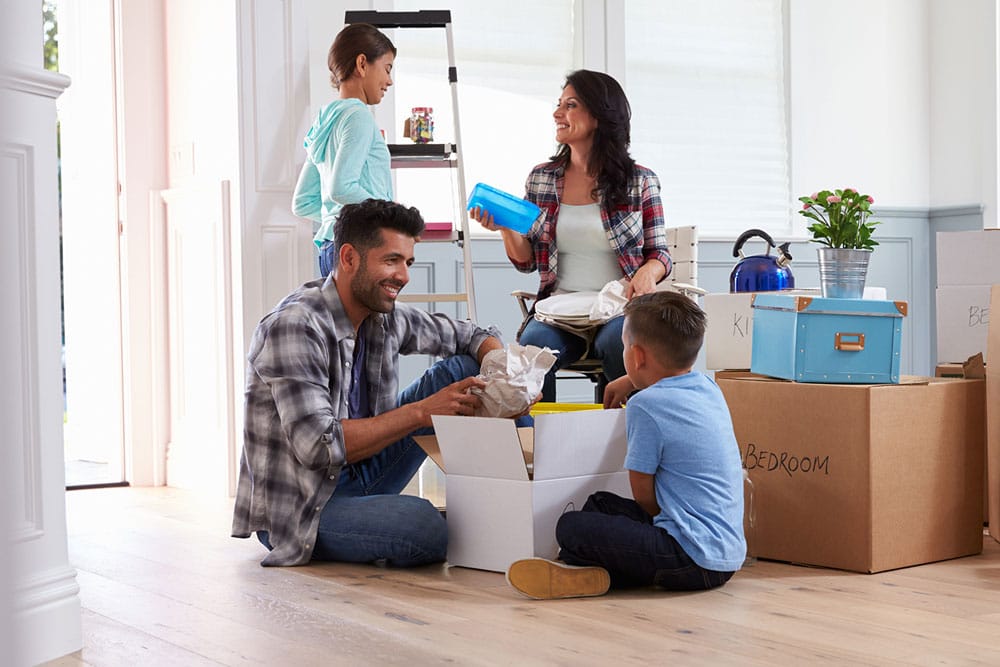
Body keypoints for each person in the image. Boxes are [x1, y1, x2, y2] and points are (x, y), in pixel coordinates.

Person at [232, 199, 504, 567]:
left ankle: (520, 502)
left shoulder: (381, 314)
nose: (404, 276)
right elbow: (319, 447)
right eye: (391, 260)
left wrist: (505, 375)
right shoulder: (295, 326)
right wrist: (421, 412)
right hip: (305, 507)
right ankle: (486, 527)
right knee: (423, 527)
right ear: (348, 259)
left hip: (363, 473)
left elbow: (472, 335)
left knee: (466, 368)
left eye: (407, 262)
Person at [505, 291, 746, 599]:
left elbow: (643, 494)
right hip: (726, 553)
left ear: (637, 356)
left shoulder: (645, 406)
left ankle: (585, 572)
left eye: (623, 345)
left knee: (571, 526)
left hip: (688, 557)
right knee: (601, 504)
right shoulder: (709, 388)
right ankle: (593, 571)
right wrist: (632, 380)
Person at [472, 69, 672, 402]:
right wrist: (505, 226)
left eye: (571, 105)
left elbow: (660, 253)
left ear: (599, 116)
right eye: (559, 104)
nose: (557, 113)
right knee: (534, 351)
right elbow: (526, 261)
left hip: (619, 307)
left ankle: (621, 439)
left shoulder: (640, 181)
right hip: (559, 309)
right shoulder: (541, 179)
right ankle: (544, 444)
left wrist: (649, 272)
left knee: (616, 344)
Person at [292, 23, 396, 277]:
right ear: (362, 64)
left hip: (331, 248)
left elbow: (302, 202)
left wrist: (336, 217)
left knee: (339, 319)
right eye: (387, 68)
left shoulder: (325, 120)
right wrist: (389, 215)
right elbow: (342, 188)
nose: (389, 81)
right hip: (360, 247)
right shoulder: (358, 115)